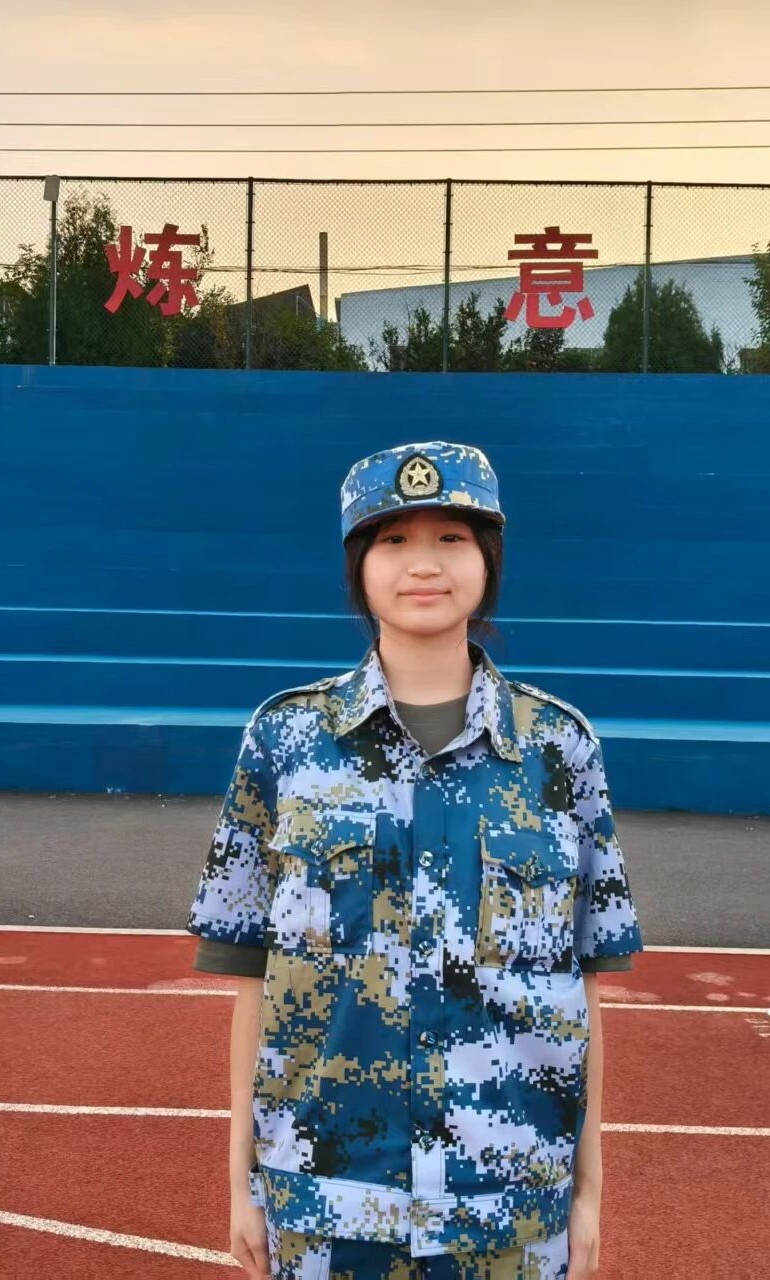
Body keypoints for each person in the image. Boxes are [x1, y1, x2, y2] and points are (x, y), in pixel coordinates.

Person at [186, 440, 643, 1280]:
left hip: (508, 1202)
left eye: (451, 539)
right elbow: (254, 978)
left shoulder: (557, 748)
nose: (423, 565)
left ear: (487, 561)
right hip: (326, 1198)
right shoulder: (286, 740)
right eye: (393, 540)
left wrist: (588, 1191)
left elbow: (581, 986)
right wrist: (241, 1182)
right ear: (358, 567)